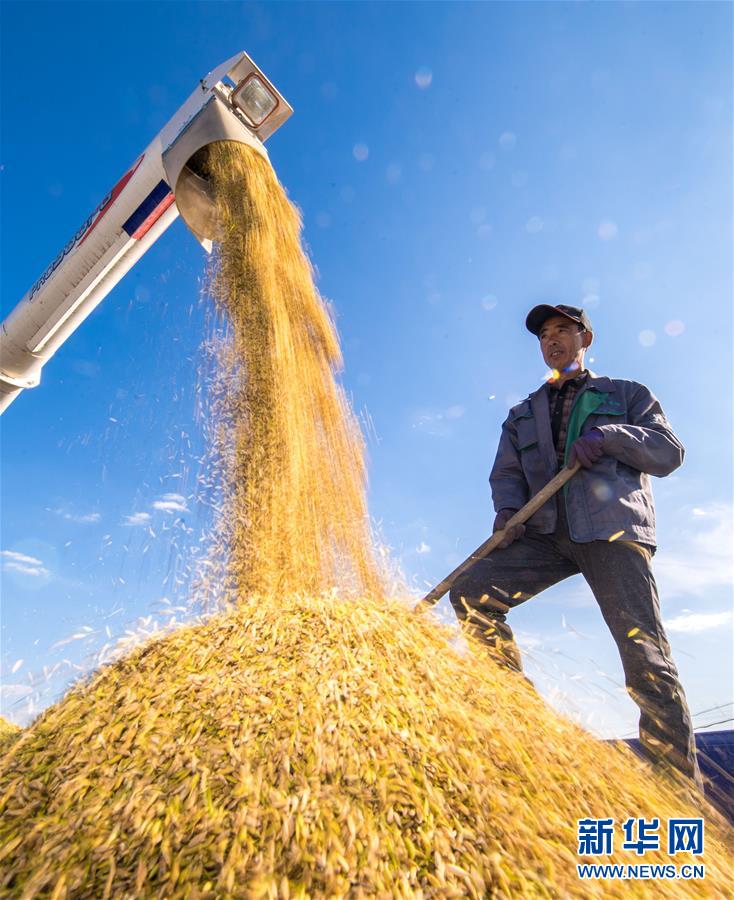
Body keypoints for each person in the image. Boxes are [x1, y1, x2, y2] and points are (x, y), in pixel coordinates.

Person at [449, 303, 702, 787]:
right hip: (545, 535)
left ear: (585, 338)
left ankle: (676, 790)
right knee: (472, 590)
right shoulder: (522, 414)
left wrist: (610, 436)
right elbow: (506, 475)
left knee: (644, 655)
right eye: (545, 334)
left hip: (611, 530)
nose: (552, 340)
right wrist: (507, 511)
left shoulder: (625, 394)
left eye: (563, 330)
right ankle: (522, 717)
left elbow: (668, 451)